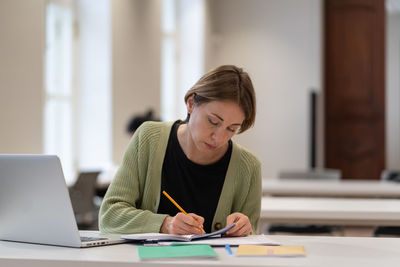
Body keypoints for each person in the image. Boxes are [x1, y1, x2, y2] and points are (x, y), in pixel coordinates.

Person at [99, 65, 261, 237]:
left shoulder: (248, 167)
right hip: (145, 264)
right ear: (191, 103)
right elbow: (109, 216)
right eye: (213, 121)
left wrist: (243, 230)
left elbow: (251, 241)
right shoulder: (149, 139)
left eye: (232, 129)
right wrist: (164, 224)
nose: (219, 138)